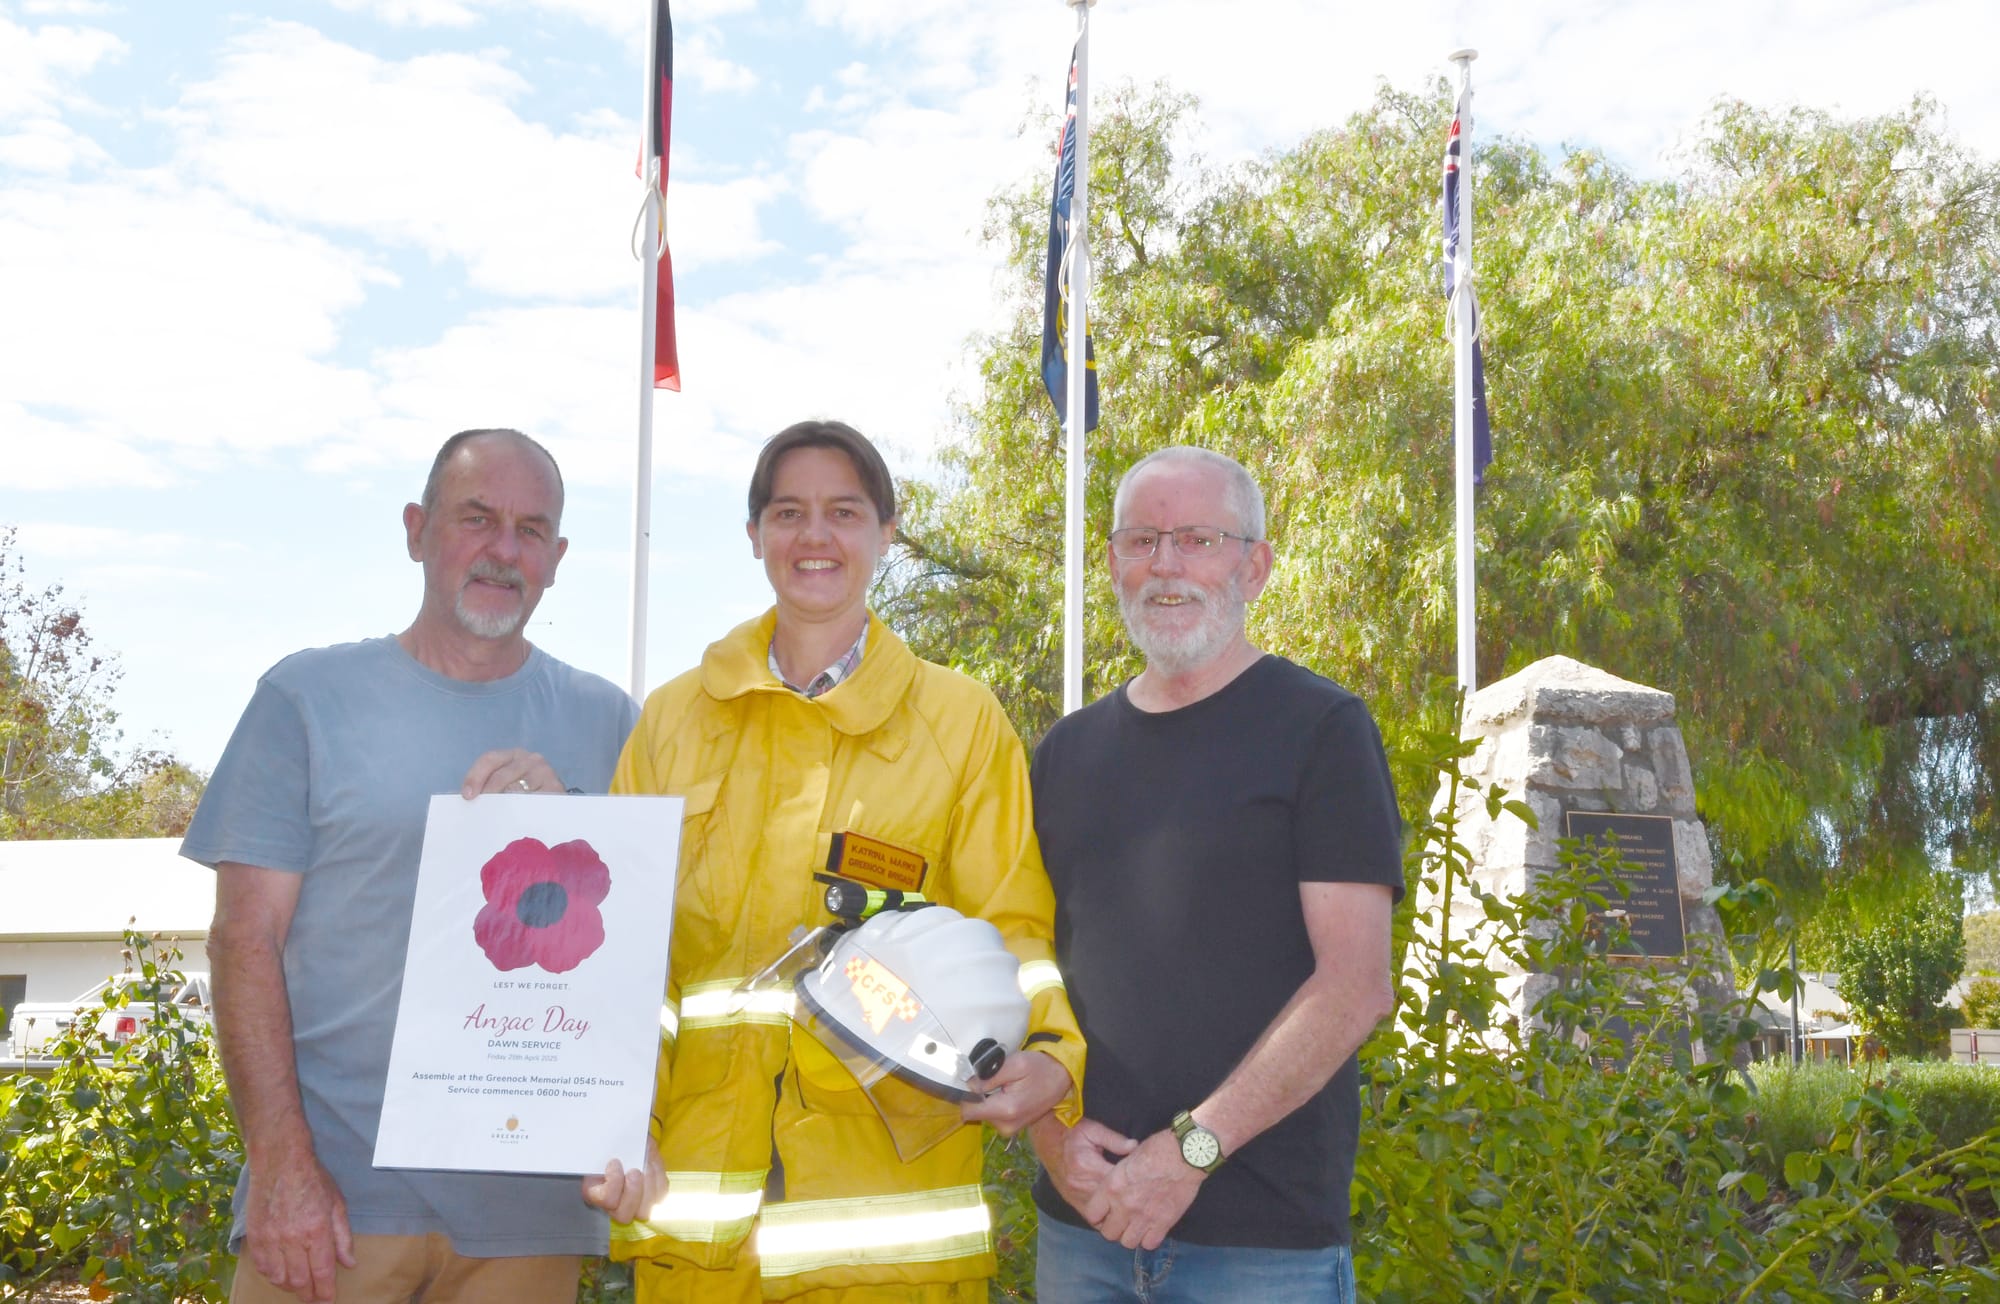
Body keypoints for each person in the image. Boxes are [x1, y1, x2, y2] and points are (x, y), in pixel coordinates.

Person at [590, 419, 1085, 1302]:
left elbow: (1015, 927)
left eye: (844, 513)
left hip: (888, 1244)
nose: (814, 536)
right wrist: (606, 1117)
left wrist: (1052, 1048)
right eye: (788, 513)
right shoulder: (672, 723)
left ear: (886, 534)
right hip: (697, 1242)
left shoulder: (961, 723)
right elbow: (626, 960)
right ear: (754, 536)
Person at [182, 428, 640, 1304]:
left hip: (531, 1217)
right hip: (334, 1215)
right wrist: (280, 1167)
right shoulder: (306, 699)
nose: (504, 551)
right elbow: (243, 942)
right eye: (478, 519)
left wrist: (571, 824)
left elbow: (635, 953)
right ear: (416, 529)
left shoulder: (610, 721)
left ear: (558, 557)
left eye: (532, 530)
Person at [1026, 446, 1404, 1303]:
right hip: (1079, 1230)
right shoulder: (1063, 754)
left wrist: (1191, 1152)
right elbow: (1027, 967)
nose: (1165, 565)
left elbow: (1355, 986)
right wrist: (1053, 1141)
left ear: (1255, 565)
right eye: (1141, 540)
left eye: (1196, 539)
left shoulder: (1323, 730)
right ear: (1113, 561)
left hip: (1260, 1248)